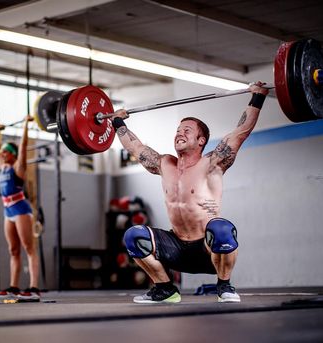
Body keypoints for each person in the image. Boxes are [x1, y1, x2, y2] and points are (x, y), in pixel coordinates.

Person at [111, 82, 269, 303]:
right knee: (133, 235)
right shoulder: (165, 164)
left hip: (208, 249)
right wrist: (117, 122)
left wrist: (258, 97)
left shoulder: (212, 163)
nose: (180, 133)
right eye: (178, 130)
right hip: (175, 248)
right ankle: (165, 289)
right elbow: (136, 148)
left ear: (201, 140)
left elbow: (240, 133)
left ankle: (224, 286)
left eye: (187, 130)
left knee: (221, 227)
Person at [0, 115, 40, 300]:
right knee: (13, 250)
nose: (3, 153)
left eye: (6, 151)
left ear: (12, 154)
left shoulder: (18, 167)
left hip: (21, 209)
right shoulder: (2, 166)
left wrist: (24, 126)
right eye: (3, 151)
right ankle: (14, 286)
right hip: (8, 211)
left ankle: (34, 287)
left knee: (29, 248)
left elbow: (22, 147)